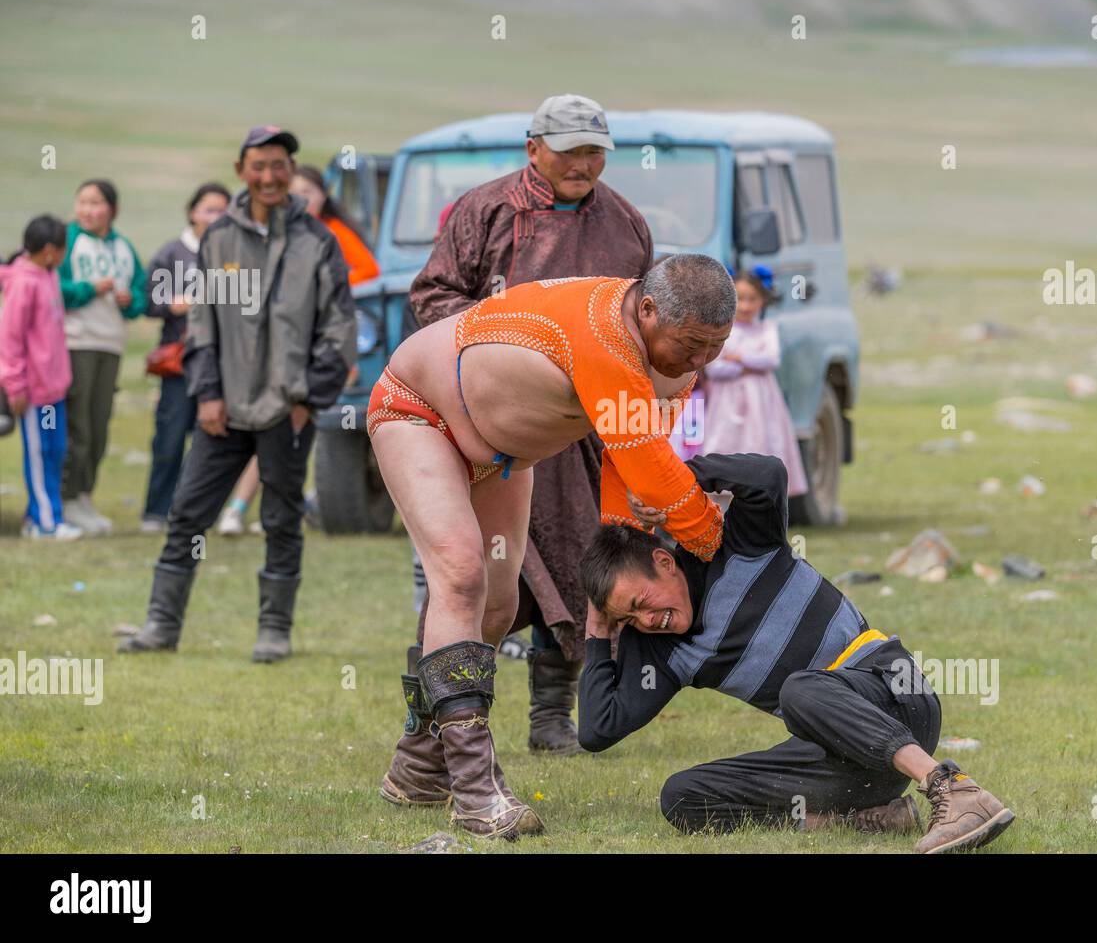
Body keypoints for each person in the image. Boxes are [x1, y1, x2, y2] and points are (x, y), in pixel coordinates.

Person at [369, 254, 733, 839]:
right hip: (419, 413)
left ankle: (418, 766)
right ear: (647, 311)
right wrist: (723, 546)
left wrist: (629, 540)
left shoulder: (672, 363)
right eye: (689, 344)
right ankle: (474, 792)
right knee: (461, 577)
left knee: (497, 606)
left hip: (501, 457)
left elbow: (629, 469)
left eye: (714, 348)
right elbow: (657, 473)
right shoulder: (606, 342)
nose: (699, 362)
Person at [386, 92, 654, 782]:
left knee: (579, 556)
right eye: (569, 149)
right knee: (473, 572)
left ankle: (551, 713)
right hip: (485, 419)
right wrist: (506, 340)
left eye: (595, 150)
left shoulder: (625, 224)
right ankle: (432, 729)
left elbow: (643, 324)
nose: (583, 163)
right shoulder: (483, 211)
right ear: (534, 147)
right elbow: (431, 298)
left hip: (579, 429)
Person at [578, 452, 1016, 853]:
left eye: (640, 604)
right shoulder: (664, 651)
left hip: (897, 698)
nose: (646, 621)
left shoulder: (737, 548)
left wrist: (677, 482)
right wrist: (598, 632)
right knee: (684, 795)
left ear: (664, 562)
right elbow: (599, 729)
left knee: (799, 690)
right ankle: (862, 819)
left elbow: (767, 475)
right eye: (628, 620)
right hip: (850, 763)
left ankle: (952, 788)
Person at [118, 125, 356, 663]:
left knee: (280, 518)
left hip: (286, 411)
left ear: (290, 172)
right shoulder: (220, 238)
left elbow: (339, 331)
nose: (269, 176)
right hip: (223, 409)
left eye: (279, 165)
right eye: (259, 166)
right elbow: (201, 325)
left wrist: (306, 400)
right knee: (186, 513)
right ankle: (161, 624)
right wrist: (206, 393)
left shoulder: (317, 242)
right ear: (240, 171)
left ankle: (274, 629)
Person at [216, 164, 378, 537]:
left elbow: (368, 269)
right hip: (279, 347)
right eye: (297, 191)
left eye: (311, 191)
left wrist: (324, 285)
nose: (303, 199)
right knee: (273, 426)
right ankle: (243, 508)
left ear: (324, 196)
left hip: (321, 348)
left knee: (301, 428)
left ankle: (278, 507)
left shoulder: (334, 234)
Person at [58, 179, 148, 535]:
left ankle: (84, 495)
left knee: (98, 425)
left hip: (111, 345)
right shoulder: (67, 240)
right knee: (77, 425)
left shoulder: (124, 247)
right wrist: (88, 289)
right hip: (75, 342)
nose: (88, 211)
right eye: (82, 202)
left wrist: (131, 303)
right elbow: (52, 286)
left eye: (96, 203)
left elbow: (140, 293)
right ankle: (66, 496)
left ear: (112, 209)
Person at [140, 183, 231, 533]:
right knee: (170, 437)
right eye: (208, 209)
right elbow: (147, 303)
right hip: (179, 364)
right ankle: (156, 511)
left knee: (212, 440)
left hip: (221, 365)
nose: (215, 216)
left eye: (222, 210)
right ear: (192, 211)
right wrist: (171, 304)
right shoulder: (170, 254)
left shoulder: (233, 254)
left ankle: (198, 513)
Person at [0, 215, 80, 539]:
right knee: (38, 453)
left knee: (55, 451)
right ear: (49, 250)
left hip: (53, 391)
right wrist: (15, 385)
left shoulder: (49, 275)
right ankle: (43, 523)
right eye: (63, 249)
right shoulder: (24, 283)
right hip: (32, 393)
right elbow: (10, 339)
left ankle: (49, 516)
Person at [698, 269, 807, 496]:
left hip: (761, 401)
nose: (746, 306)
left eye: (752, 299)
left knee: (761, 440)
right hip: (726, 403)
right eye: (740, 300)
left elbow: (771, 359)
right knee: (723, 441)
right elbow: (716, 369)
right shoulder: (722, 331)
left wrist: (738, 358)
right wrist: (750, 366)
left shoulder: (767, 329)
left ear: (763, 301)